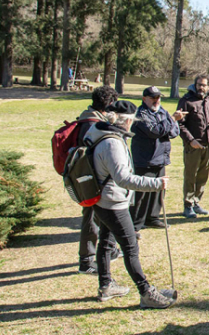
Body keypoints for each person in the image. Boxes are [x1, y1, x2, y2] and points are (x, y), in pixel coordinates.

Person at [84, 100, 175, 309]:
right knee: (130, 247)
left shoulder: (96, 130)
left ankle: (106, 285)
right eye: (132, 121)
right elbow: (123, 178)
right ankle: (146, 293)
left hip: (101, 199)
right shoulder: (112, 143)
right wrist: (156, 183)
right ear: (126, 121)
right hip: (112, 202)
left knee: (106, 242)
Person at [76, 86, 120, 274]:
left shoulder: (90, 118)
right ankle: (86, 261)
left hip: (95, 177)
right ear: (109, 105)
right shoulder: (92, 123)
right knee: (91, 218)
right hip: (91, 180)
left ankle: (108, 250)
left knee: (102, 217)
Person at [130, 86, 183, 232]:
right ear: (144, 99)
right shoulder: (141, 114)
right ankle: (135, 223)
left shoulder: (162, 111)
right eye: (153, 98)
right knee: (141, 192)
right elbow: (155, 131)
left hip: (161, 157)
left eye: (158, 97)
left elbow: (173, 132)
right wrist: (172, 120)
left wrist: (169, 123)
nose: (156, 100)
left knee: (158, 190)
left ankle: (153, 217)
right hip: (144, 158)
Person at [177, 74, 209, 219]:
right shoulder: (187, 101)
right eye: (199, 85)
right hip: (193, 146)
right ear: (195, 85)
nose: (201, 87)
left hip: (208, 144)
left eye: (204, 85)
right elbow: (180, 124)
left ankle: (196, 202)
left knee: (203, 176)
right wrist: (191, 141)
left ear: (208, 86)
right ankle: (187, 205)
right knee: (190, 176)